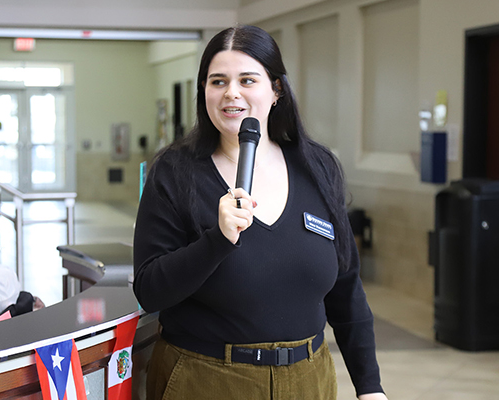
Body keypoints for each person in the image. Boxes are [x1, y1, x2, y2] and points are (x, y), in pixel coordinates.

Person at [133, 25, 387, 399]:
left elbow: (346, 286)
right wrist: (217, 241)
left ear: (276, 90)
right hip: (205, 380)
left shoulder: (317, 167)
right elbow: (150, 290)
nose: (231, 93)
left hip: (309, 379)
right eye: (217, 81)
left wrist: (370, 387)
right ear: (203, 91)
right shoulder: (174, 173)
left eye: (247, 80)